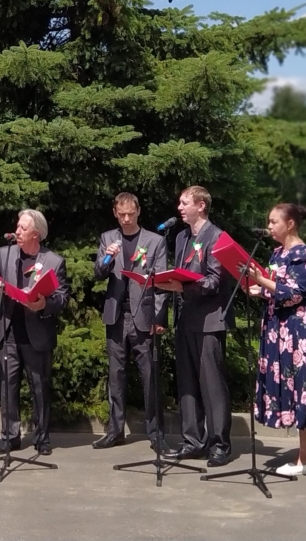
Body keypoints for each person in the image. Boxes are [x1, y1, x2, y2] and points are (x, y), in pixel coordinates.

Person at [246, 203, 306, 476]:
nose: (269, 226)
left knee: (302, 390)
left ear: (290, 224)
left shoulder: (302, 255)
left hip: (296, 329)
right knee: (297, 388)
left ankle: (304, 461)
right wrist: (258, 289)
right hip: (277, 327)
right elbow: (275, 289)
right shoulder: (276, 253)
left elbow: (294, 292)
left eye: (273, 222)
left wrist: (264, 282)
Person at [159, 186, 233, 467]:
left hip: (210, 321)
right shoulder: (180, 237)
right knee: (187, 384)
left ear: (201, 206)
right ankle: (193, 441)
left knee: (212, 385)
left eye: (184, 202)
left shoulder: (216, 237)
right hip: (185, 320)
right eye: (179, 202)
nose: (179, 207)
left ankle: (219, 445)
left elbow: (215, 281)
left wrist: (184, 286)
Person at [0, 209, 69, 456]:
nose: (17, 231)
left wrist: (44, 304)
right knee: (7, 385)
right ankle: (10, 437)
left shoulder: (54, 261)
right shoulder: (6, 253)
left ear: (37, 234)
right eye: (18, 227)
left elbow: (62, 297)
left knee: (39, 387)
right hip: (9, 330)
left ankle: (42, 437)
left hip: (37, 332)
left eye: (23, 228)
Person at [92, 192, 168, 450]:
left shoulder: (155, 241)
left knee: (150, 377)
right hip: (116, 316)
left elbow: (161, 283)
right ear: (115, 213)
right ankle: (115, 431)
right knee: (116, 376)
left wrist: (159, 318)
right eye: (121, 214)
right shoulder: (107, 238)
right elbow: (99, 273)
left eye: (130, 214)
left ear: (138, 212)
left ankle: (156, 433)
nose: (126, 219)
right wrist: (107, 258)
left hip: (144, 316)